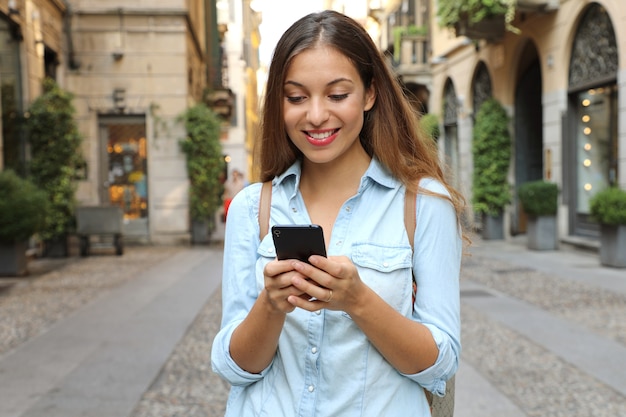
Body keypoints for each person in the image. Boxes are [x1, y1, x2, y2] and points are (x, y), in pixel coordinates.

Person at [211, 10, 467, 417]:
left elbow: (439, 363)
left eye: (337, 95)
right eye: (296, 97)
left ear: (369, 94)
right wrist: (271, 305)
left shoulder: (424, 204)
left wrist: (358, 300)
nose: (315, 115)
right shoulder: (252, 207)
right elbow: (236, 368)